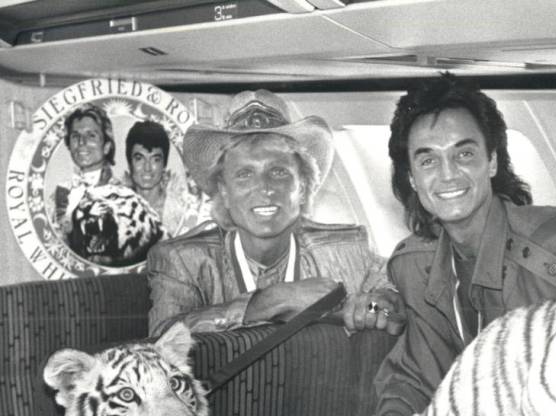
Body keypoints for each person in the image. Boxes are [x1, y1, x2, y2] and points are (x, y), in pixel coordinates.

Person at [373, 73, 556, 416]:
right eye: (428, 160)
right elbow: (414, 374)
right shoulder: (416, 267)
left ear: (491, 162)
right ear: (412, 178)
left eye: (464, 154)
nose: (448, 174)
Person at [147, 89, 402, 337]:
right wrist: (268, 302)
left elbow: (395, 301)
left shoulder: (348, 250)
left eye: (279, 172)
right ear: (224, 192)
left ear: (303, 188)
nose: (265, 189)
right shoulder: (183, 260)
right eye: (245, 174)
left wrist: (374, 307)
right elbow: (160, 340)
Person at [124, 119, 209, 237]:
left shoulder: (181, 208)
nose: (147, 168)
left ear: (164, 164)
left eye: (155, 159)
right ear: (130, 163)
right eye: (139, 158)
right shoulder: (116, 209)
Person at [54, 103, 118, 233]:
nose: (81, 142)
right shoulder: (63, 191)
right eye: (75, 136)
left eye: (91, 135)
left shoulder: (121, 191)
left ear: (106, 146)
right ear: (69, 146)